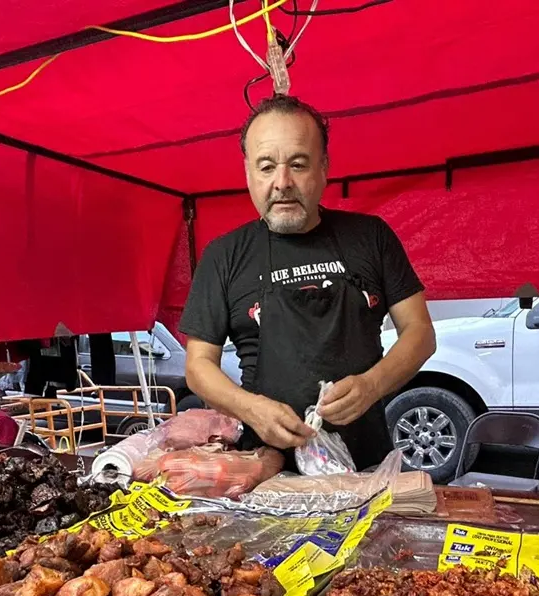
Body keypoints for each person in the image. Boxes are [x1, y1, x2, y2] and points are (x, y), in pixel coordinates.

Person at [180, 95, 436, 470]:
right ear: (248, 171)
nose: (282, 183)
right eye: (266, 167)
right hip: (265, 471)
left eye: (298, 164)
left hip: (364, 467)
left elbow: (420, 332)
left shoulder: (371, 237)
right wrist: (251, 409)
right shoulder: (224, 255)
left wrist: (372, 385)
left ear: (324, 167)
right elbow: (198, 365)